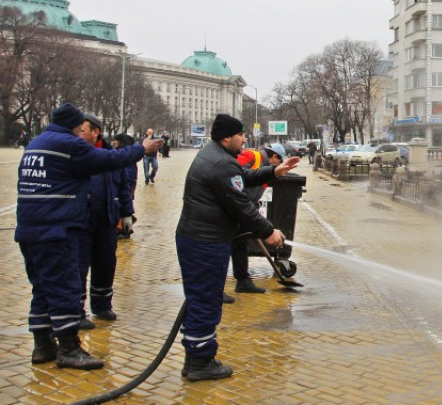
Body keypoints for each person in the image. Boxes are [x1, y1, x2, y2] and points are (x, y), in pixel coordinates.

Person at [16, 103, 162, 370]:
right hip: (57, 229)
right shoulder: (69, 144)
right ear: (75, 125)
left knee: (43, 287)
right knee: (65, 287)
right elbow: (108, 160)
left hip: (30, 228)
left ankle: (43, 345)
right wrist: (142, 149)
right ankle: (70, 349)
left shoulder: (36, 142)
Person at [175, 113, 299, 381]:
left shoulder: (217, 157)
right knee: (206, 302)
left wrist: (274, 171)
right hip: (205, 243)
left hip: (200, 239)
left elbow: (241, 177)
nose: (245, 139)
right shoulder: (220, 164)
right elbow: (242, 205)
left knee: (201, 300)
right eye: (240, 135)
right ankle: (200, 363)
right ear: (227, 137)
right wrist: (269, 232)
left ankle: (195, 357)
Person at [75, 114, 136, 331]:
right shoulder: (75, 155)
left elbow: (124, 186)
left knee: (105, 263)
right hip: (81, 220)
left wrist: (127, 213)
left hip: (107, 218)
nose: (78, 134)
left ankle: (102, 305)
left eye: (82, 130)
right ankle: (77, 311)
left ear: (95, 132)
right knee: (78, 266)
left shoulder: (111, 156)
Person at [230, 143, 287, 295]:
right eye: (280, 162)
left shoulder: (268, 171)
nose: (280, 166)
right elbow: (230, 175)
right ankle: (213, 285)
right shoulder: (251, 156)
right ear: (274, 157)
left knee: (240, 244)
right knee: (224, 245)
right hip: (233, 208)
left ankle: (243, 281)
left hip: (244, 210)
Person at [112, 134, 139, 239]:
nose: (114, 142)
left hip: (128, 181)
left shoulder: (123, 154)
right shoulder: (124, 153)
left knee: (124, 201)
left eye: (116, 140)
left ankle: (124, 227)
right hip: (128, 181)